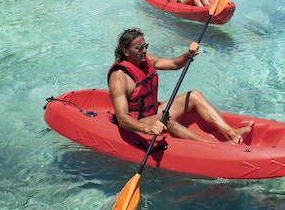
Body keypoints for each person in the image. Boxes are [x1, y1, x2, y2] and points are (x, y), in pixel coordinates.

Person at [107, 28, 253, 143]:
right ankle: (212, 146)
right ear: (126, 51)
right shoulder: (119, 78)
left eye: (145, 46)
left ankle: (231, 132)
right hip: (137, 122)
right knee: (164, 118)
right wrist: (148, 128)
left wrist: (188, 53)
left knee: (194, 95)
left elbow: (175, 64)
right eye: (139, 49)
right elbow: (122, 119)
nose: (144, 50)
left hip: (153, 112)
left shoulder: (146, 60)